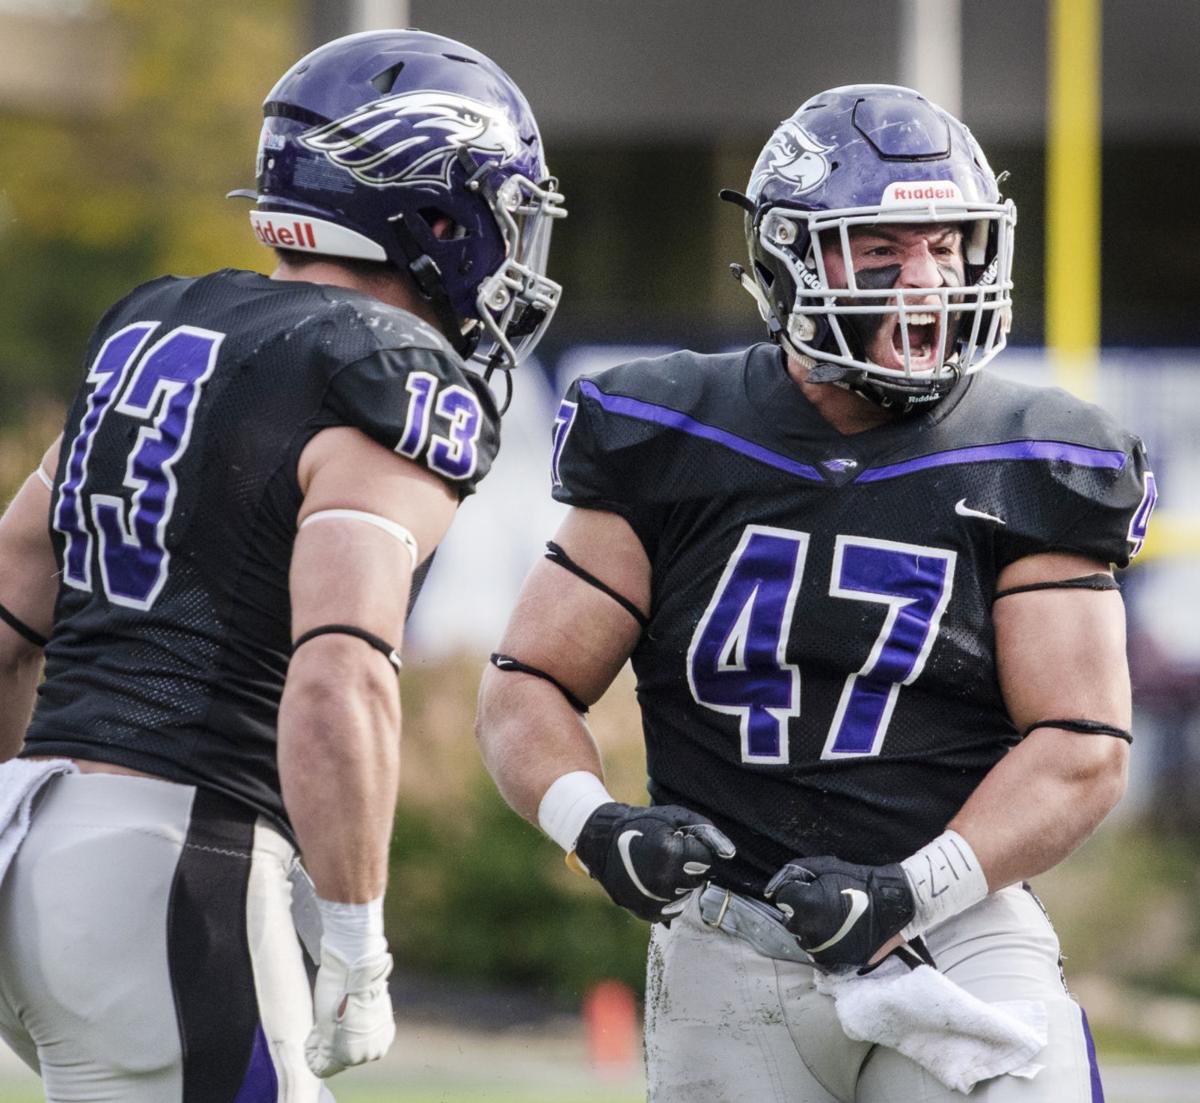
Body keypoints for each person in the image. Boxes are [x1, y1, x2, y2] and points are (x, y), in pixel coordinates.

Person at [476, 85, 1156, 1102]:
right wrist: (594, 822)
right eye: (881, 249)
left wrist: (907, 889)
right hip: (731, 942)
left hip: (953, 926)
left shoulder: (1036, 452)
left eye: (946, 246)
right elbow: (527, 680)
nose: (925, 281)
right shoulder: (674, 429)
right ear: (791, 255)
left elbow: (1082, 744)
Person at [0, 28, 563, 1102]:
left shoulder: (154, 324)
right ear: (435, 216)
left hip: (28, 841)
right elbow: (341, 670)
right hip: (181, 861)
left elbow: (7, 612)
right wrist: (358, 928)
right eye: (504, 212)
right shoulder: (391, 368)